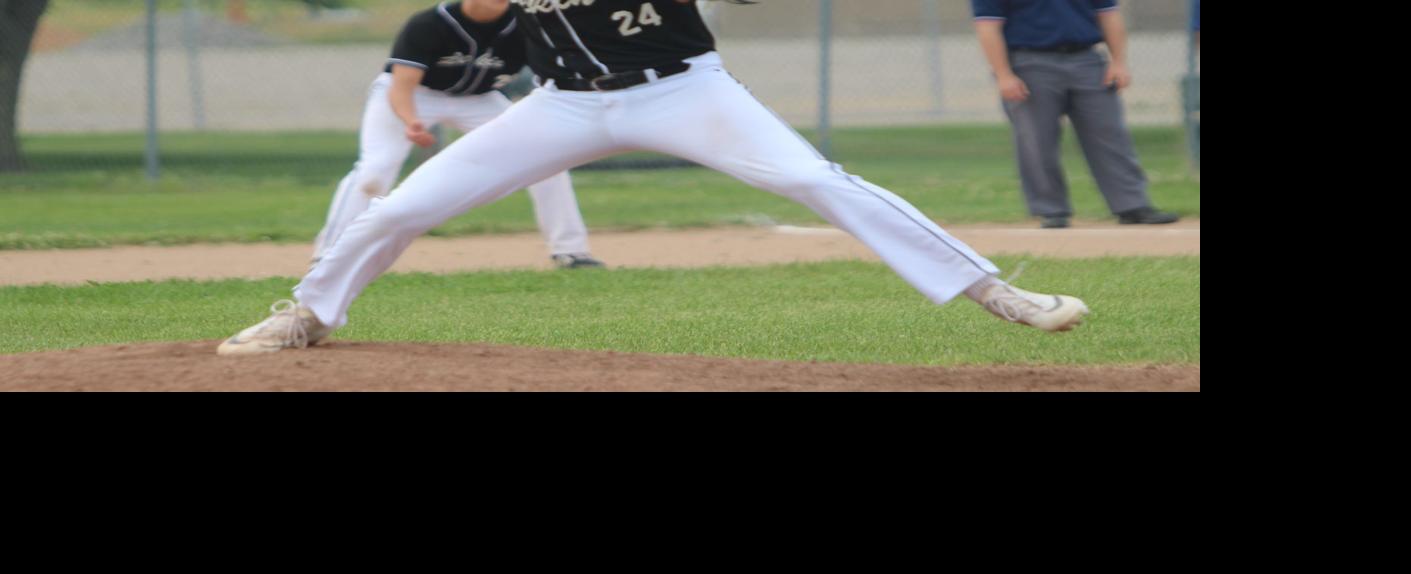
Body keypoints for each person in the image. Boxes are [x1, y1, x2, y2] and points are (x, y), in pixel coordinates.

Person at [217, 0, 1088, 356]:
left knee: (817, 180)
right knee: (404, 201)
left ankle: (994, 292)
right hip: (561, 103)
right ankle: (310, 313)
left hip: (682, 92)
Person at [314, 0, 604, 270]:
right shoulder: (430, 23)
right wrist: (411, 121)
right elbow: (401, 85)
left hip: (480, 99)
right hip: (416, 96)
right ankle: (328, 254)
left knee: (547, 162)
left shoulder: (523, 24)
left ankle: (571, 250)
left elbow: (551, 71)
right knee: (374, 171)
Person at [972, 0, 1178, 229]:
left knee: (1110, 135)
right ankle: (1051, 210)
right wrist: (1003, 75)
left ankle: (1132, 205)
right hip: (1029, 61)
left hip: (1087, 60)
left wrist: (1118, 62)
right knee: (1036, 140)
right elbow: (988, 26)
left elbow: (1108, 14)